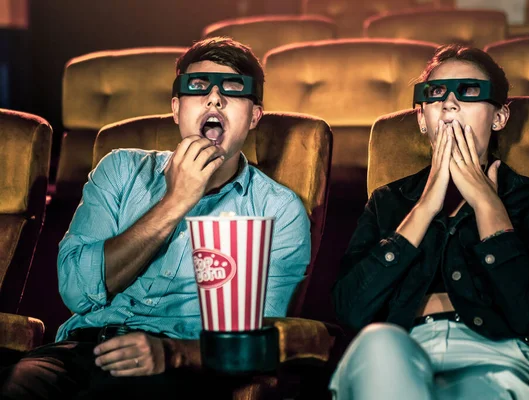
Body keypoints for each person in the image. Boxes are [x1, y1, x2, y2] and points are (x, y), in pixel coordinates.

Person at [0, 37, 310, 399]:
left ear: (255, 116)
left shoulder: (278, 210)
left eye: (232, 89)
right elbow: (76, 292)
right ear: (176, 110)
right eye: (198, 88)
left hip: (177, 369)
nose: (214, 99)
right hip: (78, 351)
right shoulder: (119, 169)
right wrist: (175, 201)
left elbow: (258, 342)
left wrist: (172, 354)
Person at [329, 44, 529, 400]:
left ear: (499, 117)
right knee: (377, 343)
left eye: (470, 92)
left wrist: (487, 203)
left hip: (497, 352)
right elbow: (350, 309)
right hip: (400, 348)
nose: (450, 104)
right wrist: (426, 206)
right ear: (421, 118)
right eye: (436, 94)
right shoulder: (388, 200)